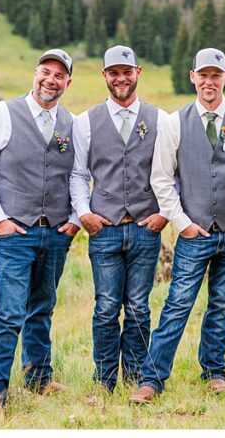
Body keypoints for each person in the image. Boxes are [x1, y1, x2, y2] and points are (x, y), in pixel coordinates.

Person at [130, 48, 225, 403]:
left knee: (222, 304)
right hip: (194, 234)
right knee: (178, 304)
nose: (209, 82)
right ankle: (152, 379)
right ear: (193, 77)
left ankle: (214, 371)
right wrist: (182, 223)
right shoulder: (174, 122)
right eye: (203, 75)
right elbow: (162, 179)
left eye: (216, 75)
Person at [0, 49, 81, 419]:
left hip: (55, 235)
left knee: (42, 308)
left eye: (59, 75)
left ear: (68, 82)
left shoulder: (72, 123)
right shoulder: (3, 113)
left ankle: (38, 378)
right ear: (35, 74)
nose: (51, 79)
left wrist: (75, 221)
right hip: (14, 233)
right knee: (8, 313)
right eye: (45, 72)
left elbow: (79, 176)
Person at [70, 45, 169, 393]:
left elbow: (176, 173)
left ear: (138, 73)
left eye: (127, 71)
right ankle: (104, 379)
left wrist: (164, 213)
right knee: (106, 308)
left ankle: (136, 376)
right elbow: (79, 175)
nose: (121, 78)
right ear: (104, 76)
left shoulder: (161, 120)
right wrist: (84, 214)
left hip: (146, 228)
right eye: (114, 72)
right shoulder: (85, 122)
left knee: (139, 307)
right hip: (105, 229)